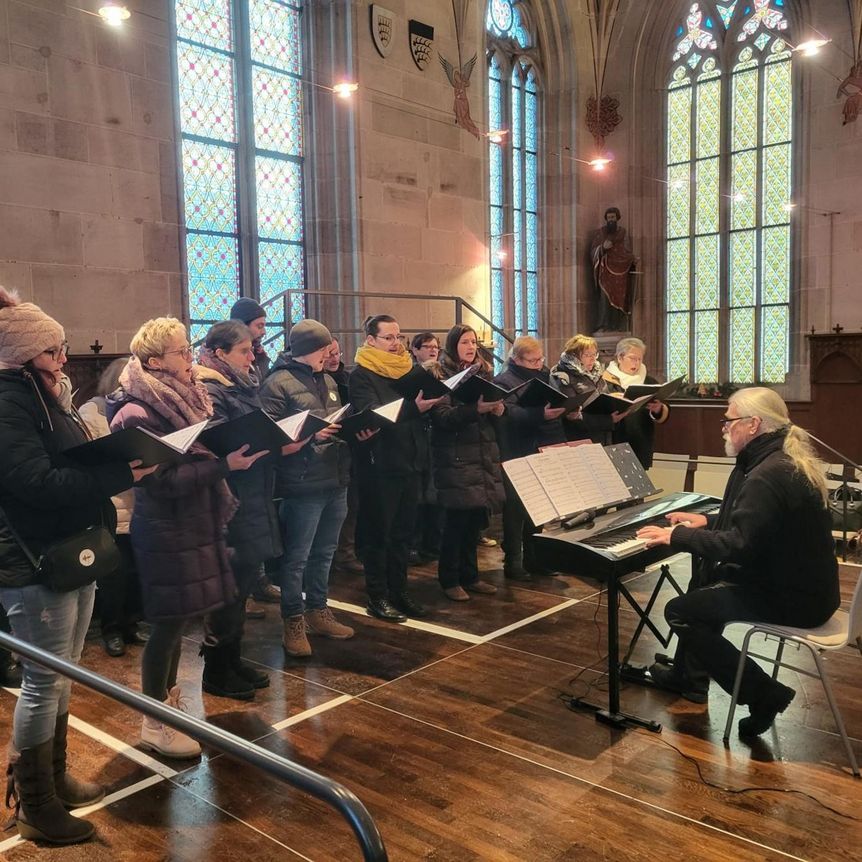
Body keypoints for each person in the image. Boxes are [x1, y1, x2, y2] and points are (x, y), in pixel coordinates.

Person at [0, 288, 147, 845]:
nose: (64, 360)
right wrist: (122, 475)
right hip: (34, 559)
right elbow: (33, 483)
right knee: (43, 681)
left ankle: (55, 778)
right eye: (54, 351)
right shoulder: (8, 400)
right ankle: (35, 805)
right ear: (23, 354)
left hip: (69, 547)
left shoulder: (46, 397)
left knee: (63, 675)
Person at [637, 388, 840, 736]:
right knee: (702, 588)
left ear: (753, 424)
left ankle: (763, 694)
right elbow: (760, 524)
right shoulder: (777, 459)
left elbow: (740, 545)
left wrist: (677, 536)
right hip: (807, 588)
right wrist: (709, 521)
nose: (723, 428)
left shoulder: (766, 473)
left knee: (681, 611)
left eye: (728, 420)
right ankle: (688, 676)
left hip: (794, 599)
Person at [109, 317, 264, 758]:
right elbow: (159, 482)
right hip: (165, 527)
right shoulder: (136, 410)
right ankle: (154, 719)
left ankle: (168, 707)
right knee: (167, 628)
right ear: (155, 360)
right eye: (181, 351)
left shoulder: (184, 394)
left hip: (193, 522)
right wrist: (223, 467)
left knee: (177, 627)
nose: (189, 357)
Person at [197, 321, 310, 697]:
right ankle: (216, 669)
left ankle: (232, 660)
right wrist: (275, 446)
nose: (252, 356)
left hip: (253, 491)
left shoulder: (240, 384)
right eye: (244, 351)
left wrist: (278, 442)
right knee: (228, 590)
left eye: (251, 350)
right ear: (218, 353)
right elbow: (220, 440)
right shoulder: (211, 389)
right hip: (231, 498)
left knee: (241, 587)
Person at [259, 319, 355, 656]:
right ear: (307, 350)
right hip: (301, 481)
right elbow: (268, 435)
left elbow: (333, 418)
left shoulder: (326, 378)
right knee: (297, 558)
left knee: (325, 552)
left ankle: (318, 610)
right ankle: (293, 621)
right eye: (324, 348)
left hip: (334, 475)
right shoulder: (277, 383)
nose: (330, 354)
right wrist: (308, 434)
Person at [349, 316, 443, 621]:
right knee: (380, 535)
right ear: (371, 340)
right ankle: (377, 596)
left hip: (411, 460)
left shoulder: (408, 370)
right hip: (381, 465)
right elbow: (373, 417)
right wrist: (415, 408)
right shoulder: (362, 375)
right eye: (388, 338)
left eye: (398, 337)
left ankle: (400, 591)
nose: (396, 343)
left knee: (403, 534)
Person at [427, 325, 505, 601]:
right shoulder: (441, 376)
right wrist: (476, 409)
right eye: (464, 342)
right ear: (452, 345)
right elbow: (443, 417)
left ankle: (471, 576)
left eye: (474, 342)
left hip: (481, 454)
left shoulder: (482, 374)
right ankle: (449, 579)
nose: (471, 347)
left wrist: (496, 409)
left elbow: (488, 419)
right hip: (455, 456)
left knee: (474, 521)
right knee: (455, 522)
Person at [79, 357, 150, 658]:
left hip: (139, 503)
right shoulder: (91, 411)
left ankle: (131, 624)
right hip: (112, 506)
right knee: (114, 576)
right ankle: (111, 629)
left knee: (136, 573)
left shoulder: (136, 409)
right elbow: (90, 456)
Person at [494, 337, 567, 580]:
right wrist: (540, 414)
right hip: (516, 449)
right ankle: (513, 562)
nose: (538, 364)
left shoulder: (544, 375)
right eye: (533, 360)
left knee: (538, 506)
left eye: (540, 359)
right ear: (516, 359)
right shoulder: (503, 380)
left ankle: (535, 558)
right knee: (515, 509)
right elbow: (507, 413)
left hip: (541, 445)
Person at [325, 338, 363, 576]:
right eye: (329, 353)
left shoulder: (347, 378)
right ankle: (330, 557)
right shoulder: (320, 381)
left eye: (337, 353)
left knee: (351, 504)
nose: (334, 358)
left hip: (351, 446)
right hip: (327, 449)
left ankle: (346, 552)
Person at [606, 337, 669, 469]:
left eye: (640, 359)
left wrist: (658, 409)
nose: (637, 363)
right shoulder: (605, 381)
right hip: (613, 441)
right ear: (620, 358)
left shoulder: (649, 381)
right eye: (633, 358)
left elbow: (664, 407)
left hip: (641, 442)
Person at [550, 334, 623, 444]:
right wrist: (608, 420)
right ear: (574, 355)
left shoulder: (597, 373)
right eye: (587, 355)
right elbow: (571, 415)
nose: (593, 358)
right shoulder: (562, 376)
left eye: (594, 354)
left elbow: (603, 399)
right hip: (579, 439)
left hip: (603, 436)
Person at [409, 332, 444, 564]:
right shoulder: (410, 374)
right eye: (428, 346)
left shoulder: (441, 373)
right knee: (418, 498)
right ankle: (415, 545)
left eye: (436, 347)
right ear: (415, 349)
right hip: (416, 439)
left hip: (436, 439)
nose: (433, 350)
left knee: (434, 495)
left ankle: (433, 544)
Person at [590, 207, 636, 332]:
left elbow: (627, 251)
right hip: (605, 272)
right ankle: (604, 324)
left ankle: (618, 326)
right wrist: (602, 248)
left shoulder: (623, 233)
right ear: (606, 219)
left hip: (621, 273)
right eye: (609, 217)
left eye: (613, 217)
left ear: (617, 218)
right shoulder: (601, 233)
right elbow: (593, 252)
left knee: (620, 300)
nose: (611, 220)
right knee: (605, 299)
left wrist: (632, 259)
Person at [230, 297, 270, 379]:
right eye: (259, 326)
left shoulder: (259, 354)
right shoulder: (229, 358)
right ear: (243, 326)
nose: (264, 332)